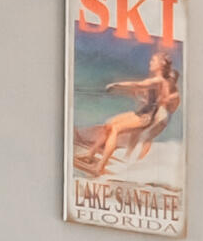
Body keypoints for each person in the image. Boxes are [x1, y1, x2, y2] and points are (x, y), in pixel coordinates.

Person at [74, 50, 180, 179]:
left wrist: (117, 85)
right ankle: (90, 154)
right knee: (109, 124)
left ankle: (99, 167)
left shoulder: (159, 80)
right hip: (143, 112)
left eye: (153, 60)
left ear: (161, 64)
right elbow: (150, 97)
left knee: (115, 129)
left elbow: (138, 84)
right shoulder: (158, 81)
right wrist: (140, 97)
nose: (150, 62)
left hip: (146, 117)